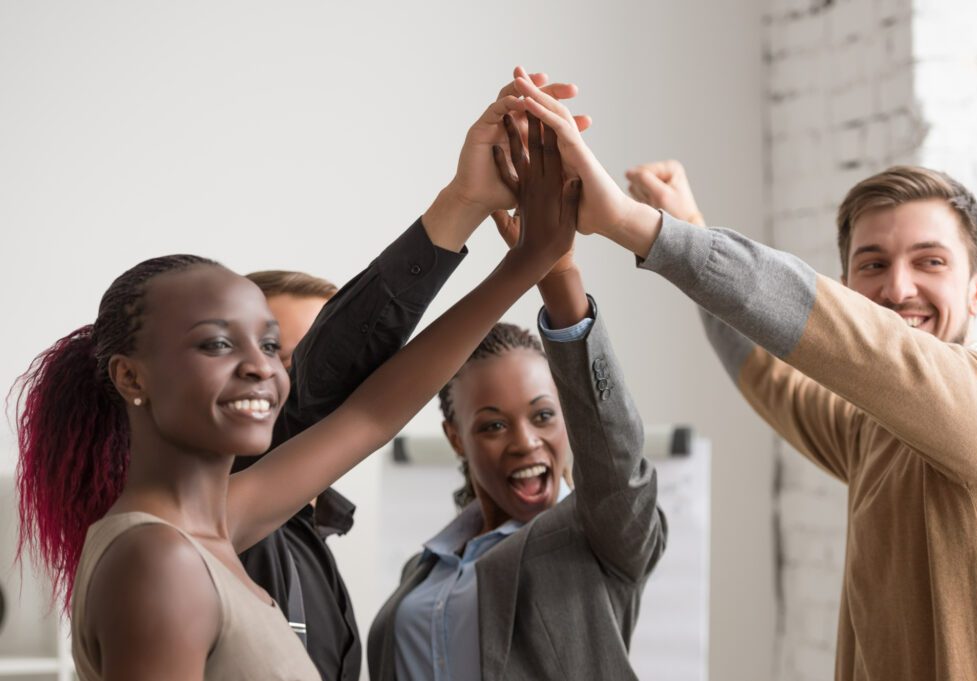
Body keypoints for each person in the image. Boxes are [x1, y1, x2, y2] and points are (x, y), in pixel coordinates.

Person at [12, 85, 580, 680]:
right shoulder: (160, 559)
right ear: (131, 376)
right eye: (216, 343)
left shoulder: (217, 526)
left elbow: (370, 416)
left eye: (267, 344)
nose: (263, 367)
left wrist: (526, 261)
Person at [514, 73, 977, 680]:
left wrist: (635, 225)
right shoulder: (872, 431)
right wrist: (688, 226)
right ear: (850, 288)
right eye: (874, 264)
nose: (898, 288)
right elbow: (769, 371)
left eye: (930, 262)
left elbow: (857, 339)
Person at [232, 70, 590, 681]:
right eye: (279, 361)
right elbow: (356, 399)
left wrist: (475, 209)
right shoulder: (218, 526)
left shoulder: (312, 544)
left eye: (295, 362)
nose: (293, 388)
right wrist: (476, 215)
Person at [366, 110, 666, 681]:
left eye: (544, 415)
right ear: (455, 436)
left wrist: (556, 271)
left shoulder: (597, 537)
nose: (525, 442)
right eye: (493, 425)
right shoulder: (424, 568)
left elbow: (618, 466)